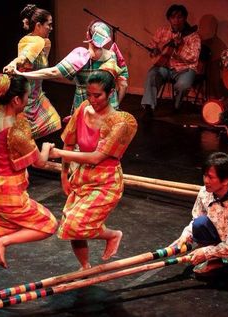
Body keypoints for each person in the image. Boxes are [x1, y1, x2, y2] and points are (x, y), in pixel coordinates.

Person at [0, 74, 58, 297]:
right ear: (16, 100)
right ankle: (4, 241)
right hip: (9, 192)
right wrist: (46, 148)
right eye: (26, 97)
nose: (28, 101)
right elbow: (39, 162)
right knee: (50, 225)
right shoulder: (16, 131)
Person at [49, 70, 137, 269]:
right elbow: (69, 142)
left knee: (75, 224)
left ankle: (113, 235)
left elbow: (96, 157)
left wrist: (57, 154)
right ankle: (85, 267)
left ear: (110, 93)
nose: (92, 99)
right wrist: (64, 174)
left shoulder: (118, 122)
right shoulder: (82, 109)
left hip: (106, 181)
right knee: (70, 226)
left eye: (97, 95)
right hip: (81, 176)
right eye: (89, 94)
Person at [16, 21, 129, 114]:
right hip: (110, 110)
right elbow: (123, 84)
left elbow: (53, 72)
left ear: (87, 35)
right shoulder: (114, 56)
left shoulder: (80, 56)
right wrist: (115, 104)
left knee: (83, 140)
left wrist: (22, 74)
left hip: (86, 111)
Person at [169, 152, 228, 275]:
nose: (206, 181)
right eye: (204, 175)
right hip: (222, 240)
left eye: (211, 177)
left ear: (226, 180)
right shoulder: (205, 193)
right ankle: (216, 262)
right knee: (200, 223)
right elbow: (197, 218)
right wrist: (186, 235)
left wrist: (207, 252)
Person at [3, 4, 61, 139]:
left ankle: (26, 150)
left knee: (53, 121)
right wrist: (12, 65)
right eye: (49, 25)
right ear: (38, 25)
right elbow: (22, 58)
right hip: (26, 99)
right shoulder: (34, 42)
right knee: (20, 136)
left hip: (37, 95)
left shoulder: (45, 42)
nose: (51, 28)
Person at [141, 4, 201, 116]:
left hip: (184, 69)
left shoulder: (193, 36)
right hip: (165, 66)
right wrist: (153, 50)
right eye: (173, 17)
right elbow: (152, 44)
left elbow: (193, 57)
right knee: (152, 74)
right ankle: (148, 107)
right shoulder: (162, 31)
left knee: (183, 85)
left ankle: (177, 105)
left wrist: (178, 48)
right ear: (169, 19)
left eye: (179, 17)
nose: (176, 21)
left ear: (185, 18)